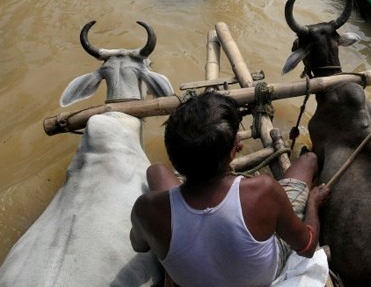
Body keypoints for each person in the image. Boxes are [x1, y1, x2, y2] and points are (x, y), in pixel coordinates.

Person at [130, 92, 330, 287]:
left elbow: (139, 245)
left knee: (155, 170)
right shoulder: (262, 191)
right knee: (308, 160)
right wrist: (312, 203)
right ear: (235, 149)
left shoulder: (145, 209)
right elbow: (306, 247)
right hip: (262, 278)